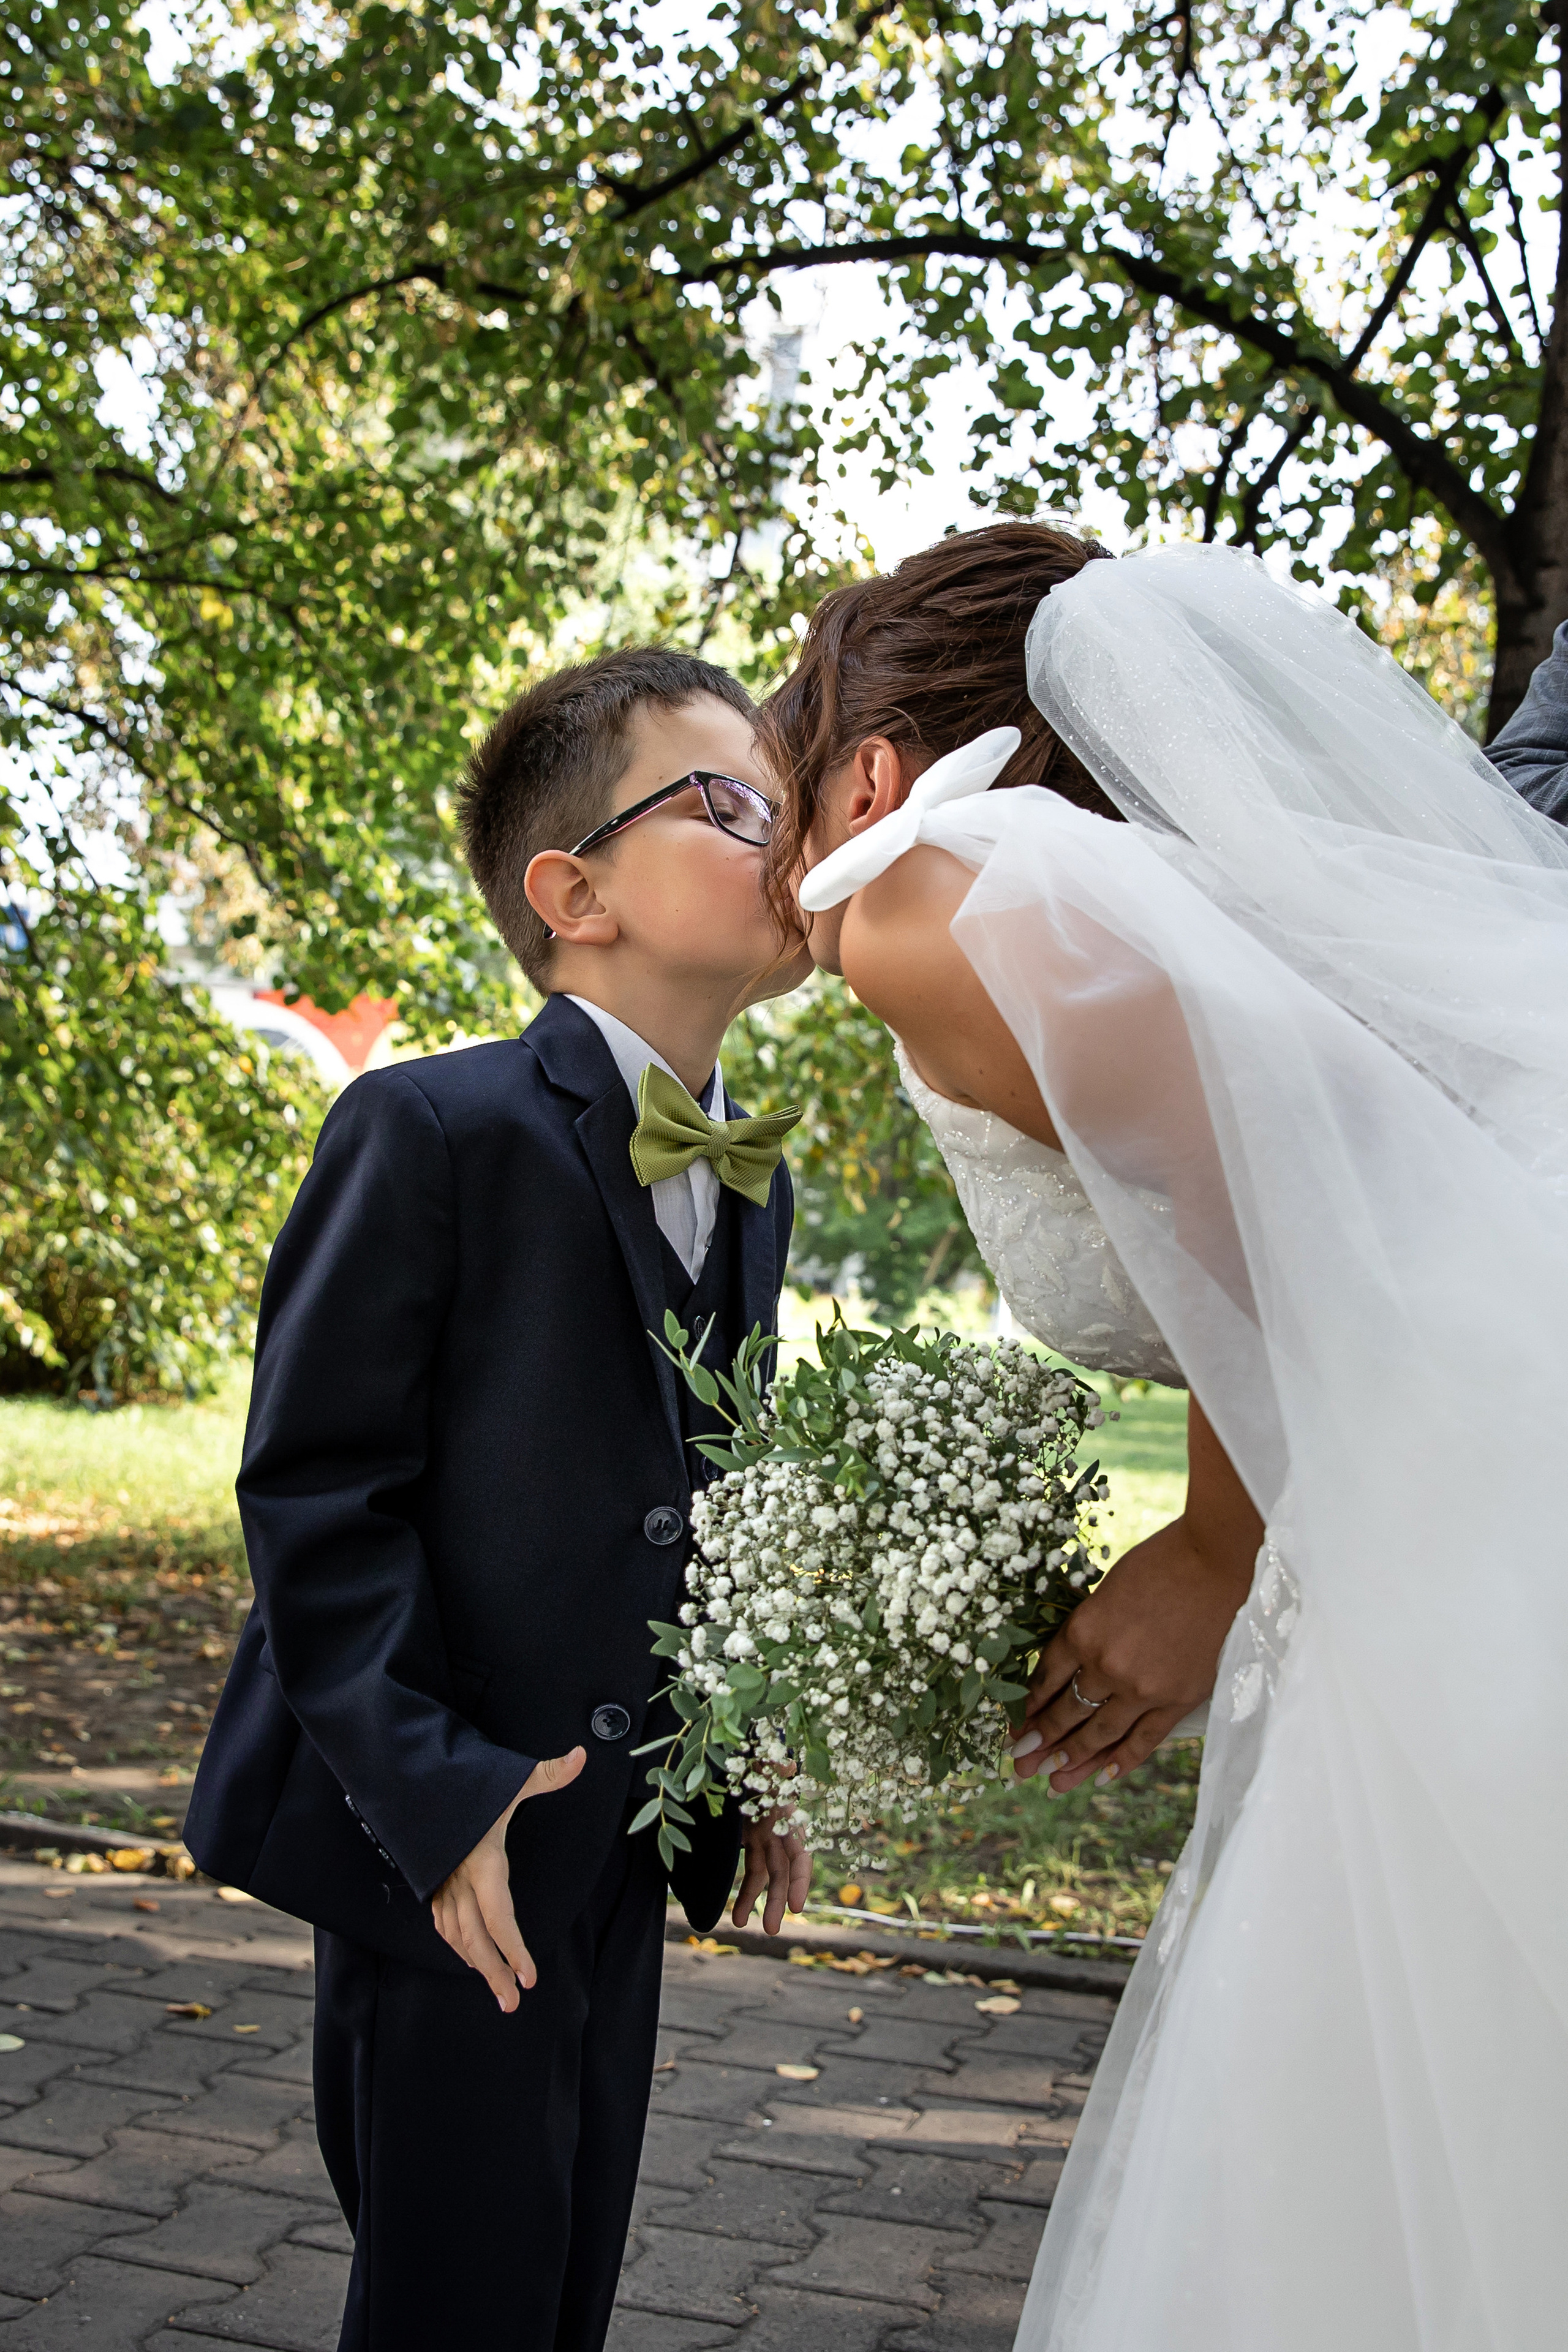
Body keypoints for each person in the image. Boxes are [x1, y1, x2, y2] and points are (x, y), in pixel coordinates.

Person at [756, 524, 1568, 2350]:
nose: (765, 836)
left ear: (869, 775)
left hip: (1435, 1489)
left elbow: (1277, 1198)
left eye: (775, 768)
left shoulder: (910, 899)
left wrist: (1213, 1552)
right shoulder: (1071, 893)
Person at [185, 647, 815, 2352]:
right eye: (731, 802)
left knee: (565, 2271)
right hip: (454, 1836)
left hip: (624, 1833)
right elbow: (318, 1494)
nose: (785, 833)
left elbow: (705, 1482)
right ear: (574, 894)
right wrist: (440, 1791)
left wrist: (742, 1740)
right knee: (455, 2288)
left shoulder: (751, 1181)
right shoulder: (430, 1129)